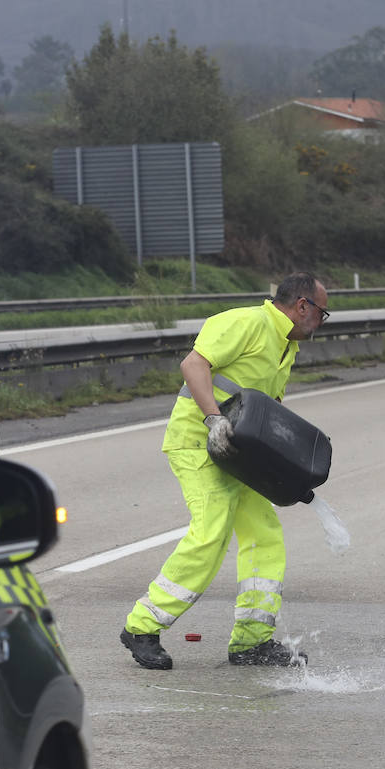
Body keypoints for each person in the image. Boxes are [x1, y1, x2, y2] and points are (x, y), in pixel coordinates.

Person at [119, 272, 329, 669]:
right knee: (211, 530)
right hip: (198, 442)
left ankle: (251, 641)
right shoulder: (246, 323)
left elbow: (266, 417)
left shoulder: (285, 346)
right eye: (323, 313)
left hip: (238, 455)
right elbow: (193, 364)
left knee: (264, 537)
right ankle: (141, 626)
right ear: (303, 306)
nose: (321, 323)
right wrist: (214, 420)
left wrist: (286, 472)